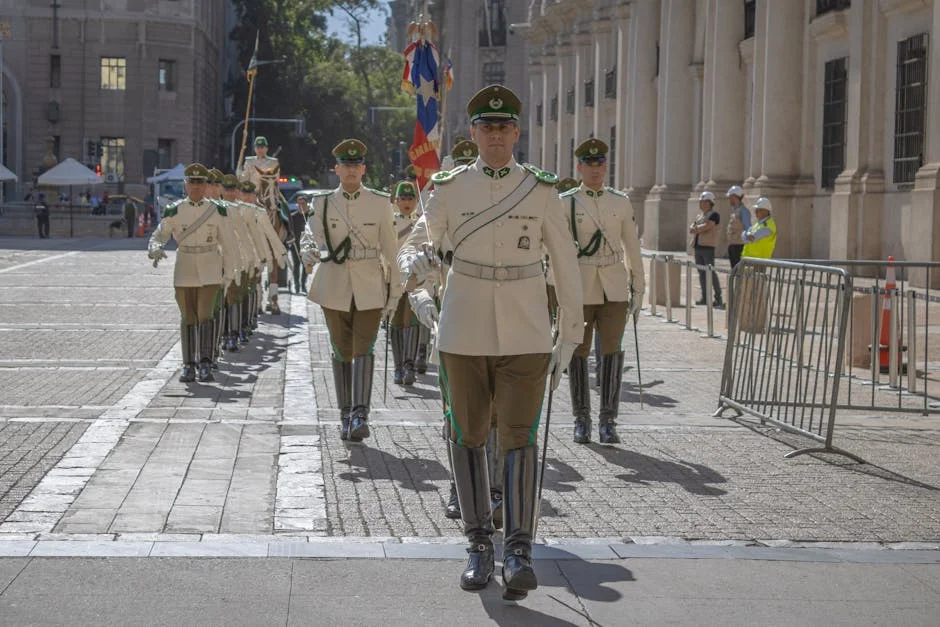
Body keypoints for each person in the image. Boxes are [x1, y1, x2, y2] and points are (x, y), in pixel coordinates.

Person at [400, 85, 584, 600]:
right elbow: (418, 240)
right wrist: (412, 267)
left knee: (521, 435)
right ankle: (479, 543)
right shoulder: (450, 186)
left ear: (516, 133)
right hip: (463, 326)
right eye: (487, 127)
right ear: (474, 133)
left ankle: (520, 550)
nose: (497, 134)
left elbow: (566, 264)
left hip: (526, 328)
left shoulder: (541, 190)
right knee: (469, 433)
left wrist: (571, 329)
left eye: (504, 127)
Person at [300, 139, 401, 442]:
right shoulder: (323, 202)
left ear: (364, 169)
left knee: (363, 348)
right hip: (334, 283)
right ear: (337, 169)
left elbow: (390, 249)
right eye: (346, 165)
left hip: (370, 283)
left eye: (356, 165)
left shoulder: (380, 202)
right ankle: (345, 413)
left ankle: (360, 413)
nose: (351, 170)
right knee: (341, 348)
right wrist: (307, 250)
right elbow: (312, 235)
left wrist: (395, 292)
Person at [562, 138, 645, 445]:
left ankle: (608, 420)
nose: (595, 170)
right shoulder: (567, 201)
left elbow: (632, 246)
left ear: (606, 167)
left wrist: (639, 285)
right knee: (579, 353)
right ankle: (581, 419)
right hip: (580, 287)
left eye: (600, 165)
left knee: (612, 351)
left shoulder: (620, 201)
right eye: (589, 165)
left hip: (613, 287)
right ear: (579, 168)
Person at [147, 163, 240, 383]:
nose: (196, 188)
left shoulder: (218, 211)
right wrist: (155, 249)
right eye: (192, 183)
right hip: (185, 269)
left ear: (206, 185)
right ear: (185, 185)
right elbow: (159, 235)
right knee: (187, 316)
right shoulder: (175, 210)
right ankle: (188, 365)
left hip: (210, 269)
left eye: (200, 183)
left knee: (205, 315)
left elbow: (229, 245)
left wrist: (231, 272)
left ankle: (206, 363)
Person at [238, 136, 291, 314]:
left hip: (271, 192)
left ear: (267, 148)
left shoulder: (273, 161)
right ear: (254, 148)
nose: (260, 149)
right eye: (258, 147)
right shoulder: (249, 161)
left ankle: (289, 235)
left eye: (263, 147)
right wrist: (240, 174)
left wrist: (272, 190)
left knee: (284, 210)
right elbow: (244, 180)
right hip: (253, 195)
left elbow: (275, 179)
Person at [389, 180, 421, 386]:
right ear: (396, 201)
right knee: (396, 323)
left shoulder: (422, 221)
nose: (407, 202)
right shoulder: (390, 222)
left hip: (416, 279)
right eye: (403, 199)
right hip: (394, 279)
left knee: (412, 321)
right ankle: (398, 366)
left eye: (411, 198)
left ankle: (409, 364)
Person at [689, 191, 724, 309]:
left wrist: (696, 229)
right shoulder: (700, 215)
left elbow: (708, 226)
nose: (702, 204)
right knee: (701, 273)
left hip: (708, 247)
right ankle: (705, 297)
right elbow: (692, 226)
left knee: (711, 273)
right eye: (701, 202)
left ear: (710, 203)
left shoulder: (714, 215)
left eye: (704, 202)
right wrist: (695, 228)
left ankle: (718, 297)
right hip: (698, 246)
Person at [289, 195, 310, 294]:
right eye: (299, 204)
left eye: (303, 203)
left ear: (306, 204)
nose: (301, 205)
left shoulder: (310, 216)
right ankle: (297, 285)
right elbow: (290, 231)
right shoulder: (293, 217)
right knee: (296, 265)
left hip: (307, 245)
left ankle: (303, 284)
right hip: (296, 245)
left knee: (306, 265)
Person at [726, 185, 751, 268]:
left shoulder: (743, 211)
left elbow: (748, 228)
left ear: (735, 197)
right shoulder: (734, 210)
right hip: (733, 245)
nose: (729, 199)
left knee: (739, 272)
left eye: (730, 197)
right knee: (734, 272)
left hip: (740, 246)